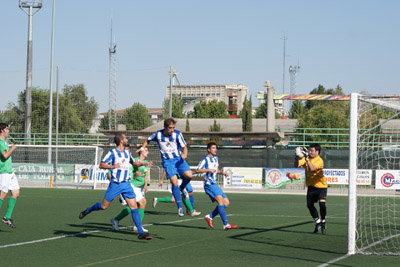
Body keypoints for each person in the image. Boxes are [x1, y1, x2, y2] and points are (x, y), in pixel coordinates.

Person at [79, 133, 152, 240]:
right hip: (115, 184)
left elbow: (135, 163)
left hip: (126, 184)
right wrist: (112, 166)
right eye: (126, 138)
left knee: (134, 207)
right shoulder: (112, 152)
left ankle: (140, 232)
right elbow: (101, 164)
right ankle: (88, 210)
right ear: (121, 141)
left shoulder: (127, 153)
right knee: (104, 207)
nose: (127, 139)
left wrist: (143, 164)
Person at [138, 118, 193, 216]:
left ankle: (182, 187)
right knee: (174, 181)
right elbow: (148, 139)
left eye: (173, 128)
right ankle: (179, 207)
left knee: (189, 175)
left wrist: (184, 154)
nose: (172, 130)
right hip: (167, 161)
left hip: (178, 159)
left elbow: (184, 147)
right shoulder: (158, 134)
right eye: (170, 128)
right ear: (165, 127)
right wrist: (142, 147)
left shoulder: (177, 134)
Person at [196, 142, 237, 230]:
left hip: (214, 184)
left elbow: (216, 169)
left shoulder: (215, 158)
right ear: (208, 149)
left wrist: (222, 173)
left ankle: (210, 216)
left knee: (226, 202)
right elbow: (197, 170)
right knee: (221, 203)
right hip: (209, 184)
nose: (215, 150)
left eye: (216, 148)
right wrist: (208, 170)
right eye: (213, 148)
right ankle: (225, 224)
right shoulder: (205, 160)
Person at [110, 145, 150, 232]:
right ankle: (137, 226)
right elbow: (133, 174)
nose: (148, 152)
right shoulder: (134, 161)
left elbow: (146, 175)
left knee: (135, 205)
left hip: (140, 187)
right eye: (146, 150)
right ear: (141, 151)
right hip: (133, 185)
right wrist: (136, 175)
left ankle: (116, 220)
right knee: (141, 203)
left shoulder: (146, 162)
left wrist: (146, 185)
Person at [295, 143, 327, 235]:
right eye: (309, 150)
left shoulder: (319, 160)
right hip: (311, 186)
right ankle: (318, 222)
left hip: (321, 186)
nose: (310, 152)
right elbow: (296, 165)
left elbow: (312, 168)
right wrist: (297, 157)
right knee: (309, 205)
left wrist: (307, 159)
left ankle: (323, 222)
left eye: (312, 150)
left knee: (322, 203)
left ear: (317, 151)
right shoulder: (306, 158)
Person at [0, 123, 18, 228]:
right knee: (2, 195)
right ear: (2, 130)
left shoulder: (4, 142)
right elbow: (5, 155)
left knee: (16, 193)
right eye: (7, 129)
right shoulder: (0, 143)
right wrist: (12, 148)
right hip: (4, 172)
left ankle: (7, 217)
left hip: (10, 172)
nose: (8, 131)